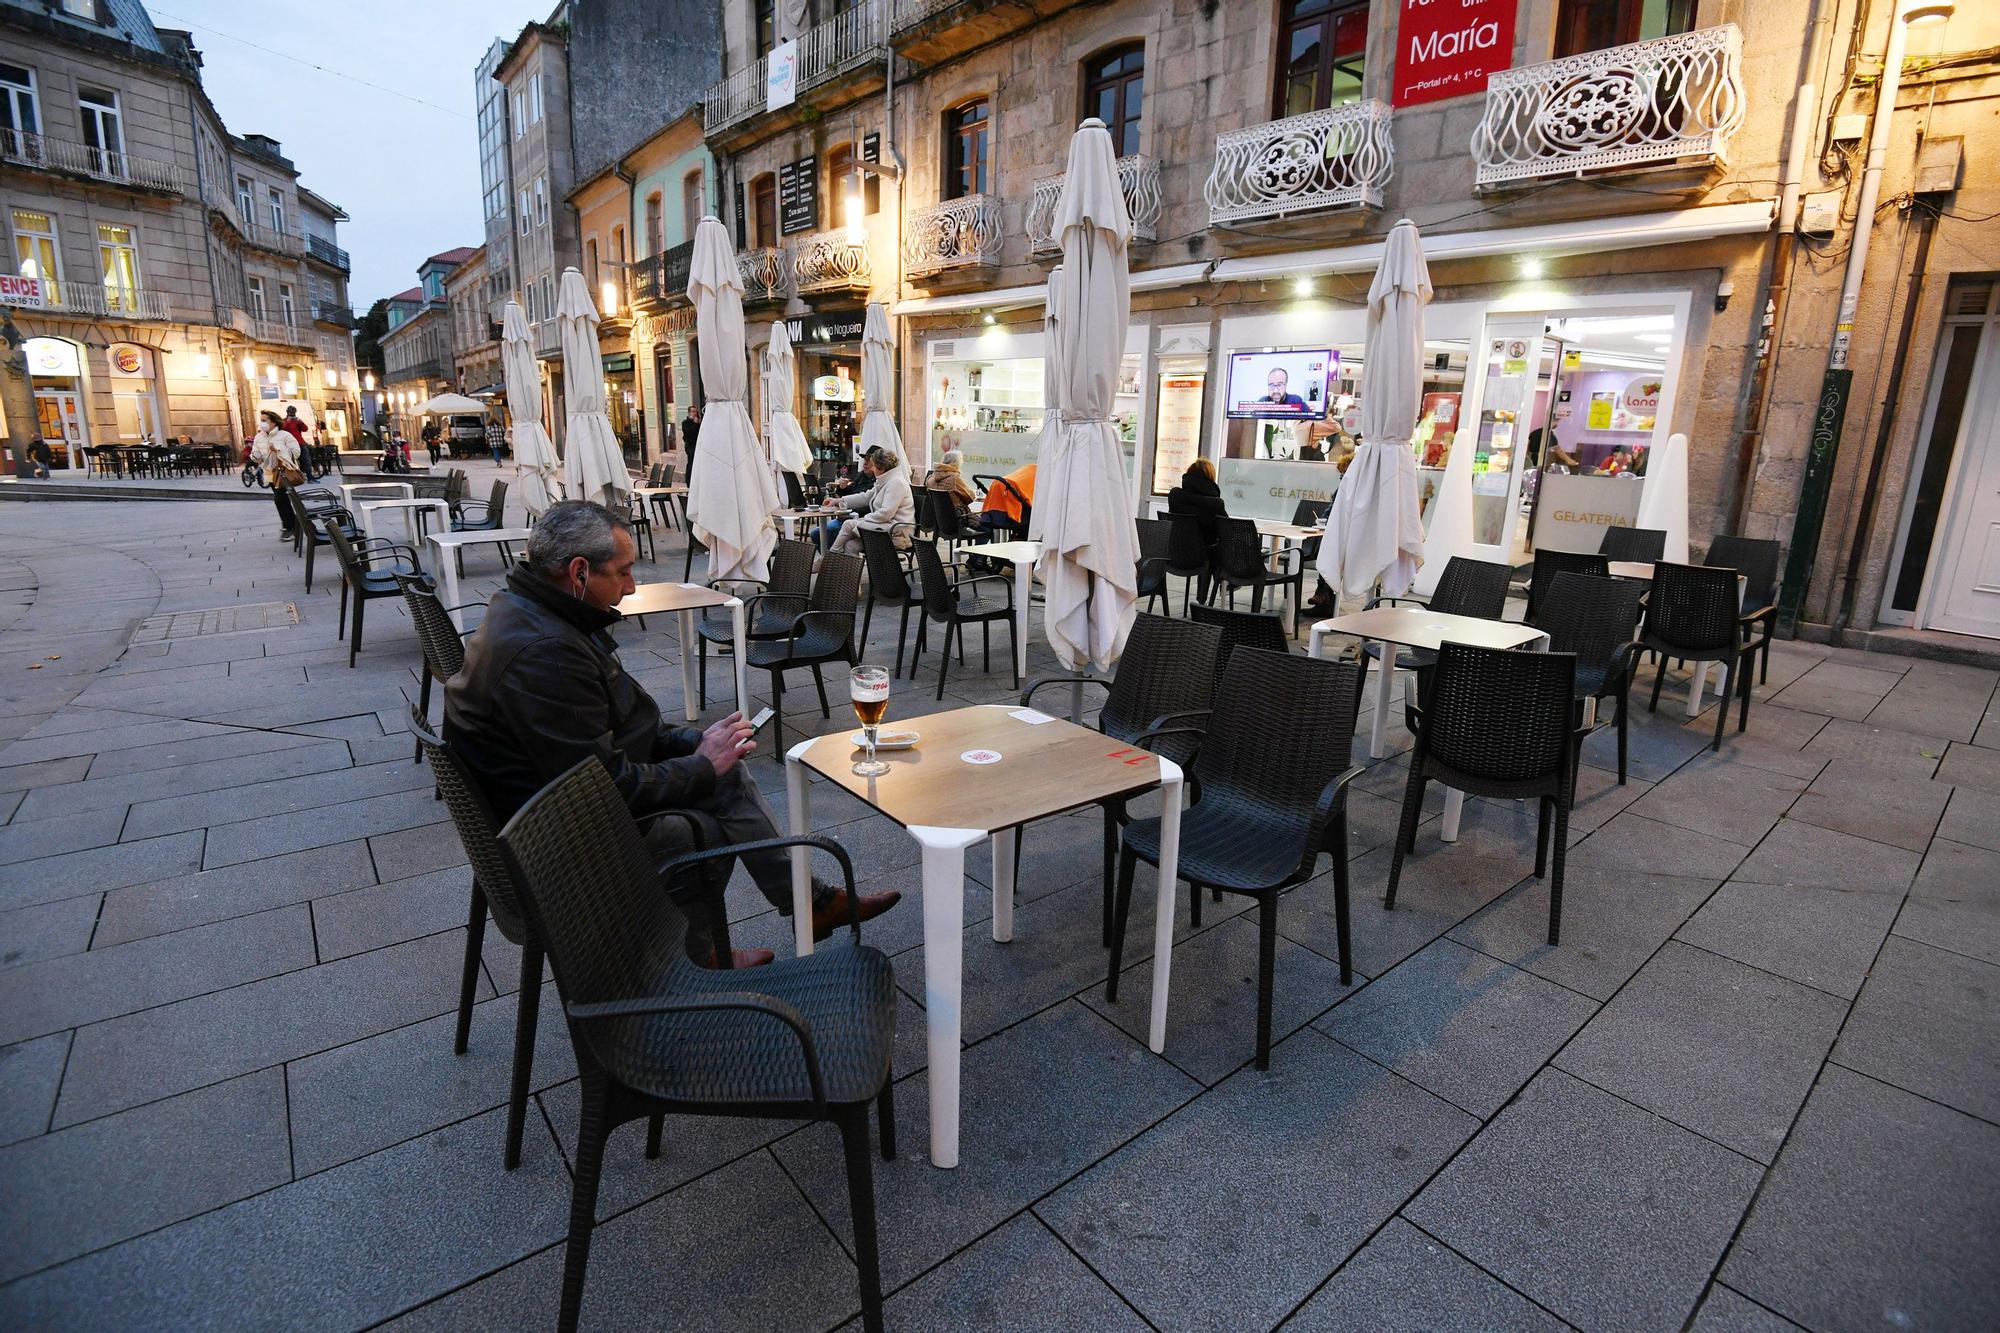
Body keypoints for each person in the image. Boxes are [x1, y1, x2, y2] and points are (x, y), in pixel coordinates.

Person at [443, 502, 900, 963]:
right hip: (553, 849)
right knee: (699, 831)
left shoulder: (530, 613)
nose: (630, 587)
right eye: (621, 573)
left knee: (723, 771)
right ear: (579, 572)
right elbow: (602, 789)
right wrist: (700, 765)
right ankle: (694, 962)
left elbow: (618, 735)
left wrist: (699, 748)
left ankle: (804, 906)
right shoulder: (547, 653)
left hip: (543, 813)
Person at [828, 448, 915, 556]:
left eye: (873, 465)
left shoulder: (896, 483)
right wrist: (840, 500)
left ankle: (829, 557)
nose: (872, 468)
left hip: (898, 533)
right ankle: (851, 572)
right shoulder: (885, 480)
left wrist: (864, 519)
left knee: (848, 524)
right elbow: (866, 497)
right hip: (886, 527)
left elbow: (885, 514)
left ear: (881, 468)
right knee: (851, 545)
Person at [250, 410, 300, 541]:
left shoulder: (284, 435)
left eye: (264, 420)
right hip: (269, 471)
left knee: (279, 499)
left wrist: (278, 448)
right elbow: (256, 451)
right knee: (283, 499)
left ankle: (289, 527)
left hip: (284, 471)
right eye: (261, 420)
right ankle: (295, 524)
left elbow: (296, 452)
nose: (262, 423)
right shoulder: (259, 437)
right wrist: (255, 456)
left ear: (273, 422)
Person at [976, 460, 1036, 541]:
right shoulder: (1036, 475)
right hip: (1011, 514)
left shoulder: (1002, 482)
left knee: (985, 528)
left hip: (990, 514)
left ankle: (977, 552)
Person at [924, 449, 975, 525]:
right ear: (955, 463)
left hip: (938, 520)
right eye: (960, 462)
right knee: (986, 524)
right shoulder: (954, 478)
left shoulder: (930, 478)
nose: (961, 464)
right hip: (957, 519)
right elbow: (970, 497)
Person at [679, 404, 701, 472]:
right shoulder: (685, 423)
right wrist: (695, 424)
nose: (695, 413)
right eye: (693, 411)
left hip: (697, 445)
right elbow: (689, 433)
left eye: (696, 412)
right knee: (691, 463)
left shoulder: (698, 422)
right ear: (689, 413)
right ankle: (688, 480)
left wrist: (698, 423)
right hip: (690, 446)